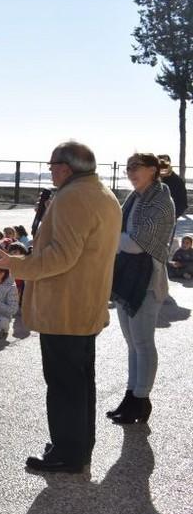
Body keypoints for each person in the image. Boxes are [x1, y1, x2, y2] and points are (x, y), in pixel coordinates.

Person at [0, 141, 121, 474]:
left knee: (64, 384)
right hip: (83, 304)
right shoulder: (102, 193)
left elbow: (61, 256)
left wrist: (17, 265)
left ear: (66, 167)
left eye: (51, 166)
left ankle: (68, 453)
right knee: (80, 381)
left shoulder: (73, 197)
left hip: (65, 307)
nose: (50, 171)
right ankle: (74, 445)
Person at [107, 153, 174, 425]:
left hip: (147, 280)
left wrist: (112, 238)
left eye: (137, 167)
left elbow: (137, 243)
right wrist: (118, 240)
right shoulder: (135, 198)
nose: (130, 172)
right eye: (128, 167)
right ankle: (131, 395)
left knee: (143, 343)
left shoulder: (160, 201)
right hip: (127, 277)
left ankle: (142, 399)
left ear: (153, 170)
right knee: (132, 344)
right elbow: (127, 239)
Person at [157, 154, 187, 219]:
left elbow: (183, 203)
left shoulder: (177, 181)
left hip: (168, 220)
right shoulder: (152, 180)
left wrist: (172, 217)